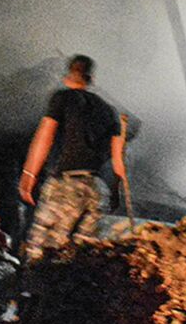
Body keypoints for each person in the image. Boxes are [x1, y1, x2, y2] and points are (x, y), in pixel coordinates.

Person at [18, 55, 128, 259]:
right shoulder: (109, 110)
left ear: (68, 76)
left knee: (40, 255)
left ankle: (34, 289)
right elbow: (118, 162)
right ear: (91, 78)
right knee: (78, 258)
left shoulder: (62, 98)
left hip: (66, 188)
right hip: (96, 191)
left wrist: (28, 175)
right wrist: (114, 194)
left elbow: (45, 136)